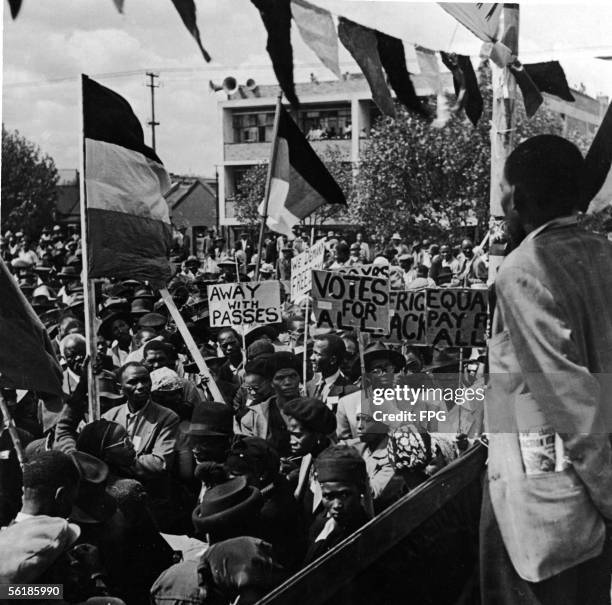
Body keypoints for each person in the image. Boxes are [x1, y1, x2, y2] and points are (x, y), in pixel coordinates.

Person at [483, 134, 612, 605]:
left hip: (547, 520)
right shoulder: (602, 251)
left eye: (501, 191)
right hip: (586, 515)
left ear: (515, 197)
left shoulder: (524, 269)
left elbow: (572, 404)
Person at [304, 444, 371, 565]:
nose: (336, 505)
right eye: (328, 496)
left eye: (345, 495)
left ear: (360, 489)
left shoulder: (365, 538)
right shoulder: (319, 524)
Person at [283, 397, 336, 526]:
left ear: (318, 435)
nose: (291, 441)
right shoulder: (310, 454)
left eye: (297, 435)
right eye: (290, 434)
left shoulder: (334, 468)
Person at [308, 334, 357, 412]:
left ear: (333, 360)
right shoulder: (309, 386)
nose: (312, 358)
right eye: (313, 352)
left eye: (318, 354)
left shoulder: (351, 392)